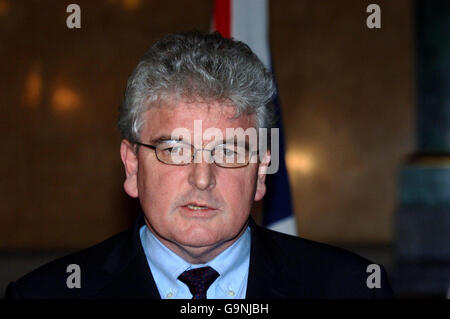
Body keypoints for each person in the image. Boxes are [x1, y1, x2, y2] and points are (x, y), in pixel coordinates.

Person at [6, 31, 393, 299]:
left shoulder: (352, 288)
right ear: (132, 167)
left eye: (227, 151)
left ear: (260, 172)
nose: (202, 178)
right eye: (175, 149)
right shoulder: (46, 294)